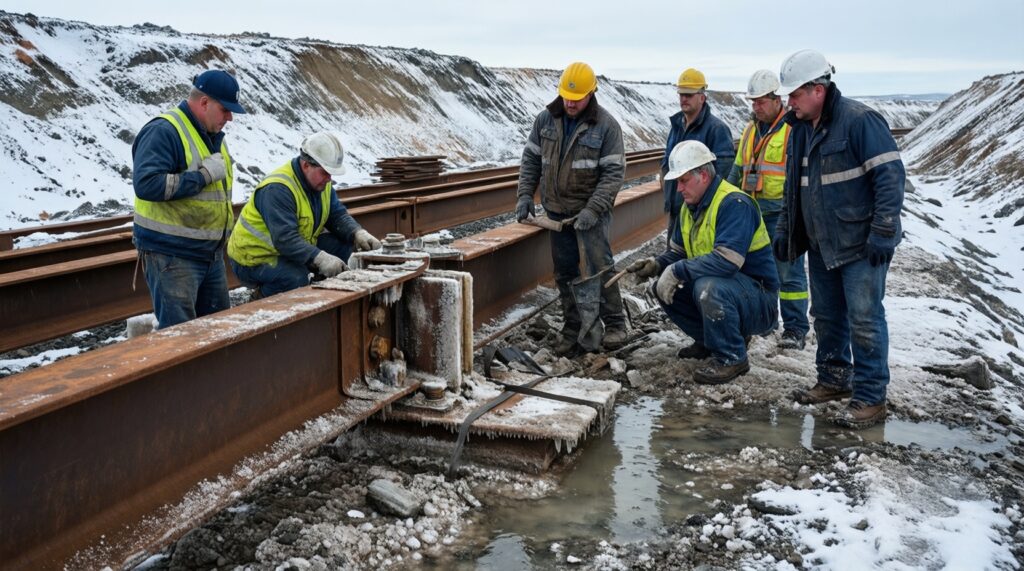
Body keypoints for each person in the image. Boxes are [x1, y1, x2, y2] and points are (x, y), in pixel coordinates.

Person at [773, 50, 905, 429]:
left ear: (818, 89)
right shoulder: (798, 129)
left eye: (794, 94)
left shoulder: (860, 122)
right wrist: (787, 229)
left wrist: (882, 230)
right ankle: (834, 379)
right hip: (822, 242)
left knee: (864, 319)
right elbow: (792, 189)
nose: (789, 102)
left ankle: (870, 397)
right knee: (827, 315)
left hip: (862, 243)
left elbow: (889, 177)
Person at [627, 141, 779, 385]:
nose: (679, 188)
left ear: (704, 175)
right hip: (731, 291)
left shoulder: (734, 204)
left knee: (707, 287)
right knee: (664, 286)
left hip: (759, 300)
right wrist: (657, 265)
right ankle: (710, 342)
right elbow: (678, 253)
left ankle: (732, 356)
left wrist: (675, 270)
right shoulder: (690, 206)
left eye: (684, 180)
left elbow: (727, 262)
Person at [515, 61, 628, 354]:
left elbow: (613, 176)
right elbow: (530, 161)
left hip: (589, 211)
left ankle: (615, 324)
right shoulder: (545, 121)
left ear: (591, 93)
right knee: (564, 271)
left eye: (576, 98)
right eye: (566, 96)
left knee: (599, 266)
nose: (570, 102)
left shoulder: (607, 127)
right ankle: (573, 327)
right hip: (556, 212)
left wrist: (593, 210)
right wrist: (525, 194)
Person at [132, 69, 245, 329]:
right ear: (204, 103)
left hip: (209, 254)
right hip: (173, 255)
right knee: (180, 337)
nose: (230, 118)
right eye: (225, 110)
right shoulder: (164, 131)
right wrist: (202, 176)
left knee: (215, 332)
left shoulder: (213, 136)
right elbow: (147, 184)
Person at [227, 131, 381, 297]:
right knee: (295, 276)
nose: (329, 178)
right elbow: (285, 240)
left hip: (286, 249)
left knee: (342, 244)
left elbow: (335, 215)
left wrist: (357, 233)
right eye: (325, 172)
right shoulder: (278, 189)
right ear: (306, 165)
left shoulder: (321, 183)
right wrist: (320, 259)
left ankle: (321, 291)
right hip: (253, 257)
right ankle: (261, 298)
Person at [726, 69, 809, 350]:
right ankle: (766, 322)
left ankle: (796, 329)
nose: (756, 107)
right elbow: (737, 170)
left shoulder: (792, 130)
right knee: (760, 273)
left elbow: (799, 177)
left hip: (783, 215)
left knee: (789, 273)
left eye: (761, 101)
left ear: (777, 100)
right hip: (753, 216)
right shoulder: (750, 130)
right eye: (753, 102)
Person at [661, 68, 735, 236]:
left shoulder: (717, 130)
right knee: (673, 256)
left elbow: (723, 174)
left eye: (689, 95)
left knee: (696, 259)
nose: (684, 99)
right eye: (681, 94)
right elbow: (667, 163)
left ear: (702, 97)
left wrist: (705, 209)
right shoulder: (676, 127)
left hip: (701, 214)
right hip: (677, 210)